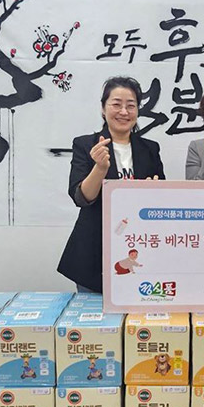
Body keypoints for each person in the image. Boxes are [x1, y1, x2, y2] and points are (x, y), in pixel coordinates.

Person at [57, 76, 165, 293]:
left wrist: (153, 192)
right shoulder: (86, 144)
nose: (124, 112)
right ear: (103, 108)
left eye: (131, 105)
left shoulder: (150, 149)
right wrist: (99, 168)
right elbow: (81, 198)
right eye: (116, 104)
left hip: (137, 247)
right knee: (92, 313)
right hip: (93, 251)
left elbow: (161, 200)